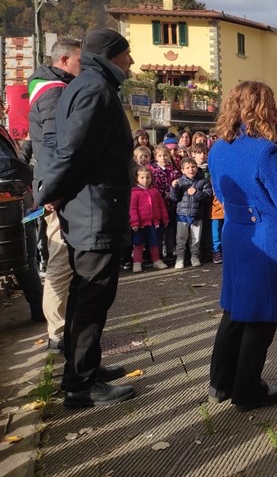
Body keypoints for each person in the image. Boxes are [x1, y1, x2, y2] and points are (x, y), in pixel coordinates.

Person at [35, 28, 136, 408]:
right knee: (93, 299)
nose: (131, 62)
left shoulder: (86, 84)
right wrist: (48, 193)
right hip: (95, 210)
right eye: (127, 54)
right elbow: (74, 152)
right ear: (112, 54)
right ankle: (80, 385)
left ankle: (84, 370)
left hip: (89, 208)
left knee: (84, 297)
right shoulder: (95, 89)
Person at [207, 81, 277, 411]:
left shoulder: (218, 148)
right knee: (262, 318)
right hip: (268, 239)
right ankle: (248, 389)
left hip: (237, 234)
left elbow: (221, 196)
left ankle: (220, 383)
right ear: (261, 109)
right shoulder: (266, 151)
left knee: (235, 311)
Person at [27, 38, 81, 348]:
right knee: (60, 261)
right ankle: (58, 333)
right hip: (57, 191)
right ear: (63, 60)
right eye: (78, 60)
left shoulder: (48, 86)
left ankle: (61, 329)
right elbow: (53, 144)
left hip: (53, 186)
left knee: (62, 260)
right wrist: (54, 189)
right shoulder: (54, 92)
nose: (82, 66)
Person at [0, 98, 44, 322]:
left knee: (26, 256)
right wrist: (32, 174)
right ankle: (39, 308)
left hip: (16, 199)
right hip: (9, 203)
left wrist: (26, 148)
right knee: (24, 255)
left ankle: (38, 307)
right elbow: (7, 166)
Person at [170, 157, 211, 269]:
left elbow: (207, 197)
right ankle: (180, 258)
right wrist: (173, 188)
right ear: (182, 170)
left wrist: (196, 193)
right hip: (182, 215)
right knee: (181, 238)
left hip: (197, 215)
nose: (191, 169)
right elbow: (174, 198)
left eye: (193, 167)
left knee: (196, 238)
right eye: (187, 168)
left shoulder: (203, 181)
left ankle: (194, 257)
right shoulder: (180, 182)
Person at [129, 167, 169, 273]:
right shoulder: (134, 192)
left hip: (153, 223)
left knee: (154, 243)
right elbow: (132, 209)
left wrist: (164, 217)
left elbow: (161, 205)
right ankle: (137, 262)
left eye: (147, 177)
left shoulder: (154, 191)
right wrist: (134, 222)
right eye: (142, 178)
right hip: (140, 224)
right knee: (138, 244)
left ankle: (156, 260)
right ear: (137, 178)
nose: (145, 180)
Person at [149, 144, 180, 263]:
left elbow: (178, 183)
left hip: (172, 205)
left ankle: (170, 253)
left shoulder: (174, 170)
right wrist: (162, 194)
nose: (163, 158)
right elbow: (151, 185)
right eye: (160, 156)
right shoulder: (152, 170)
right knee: (158, 230)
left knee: (170, 230)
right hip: (157, 205)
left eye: (165, 155)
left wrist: (172, 192)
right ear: (156, 157)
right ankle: (158, 255)